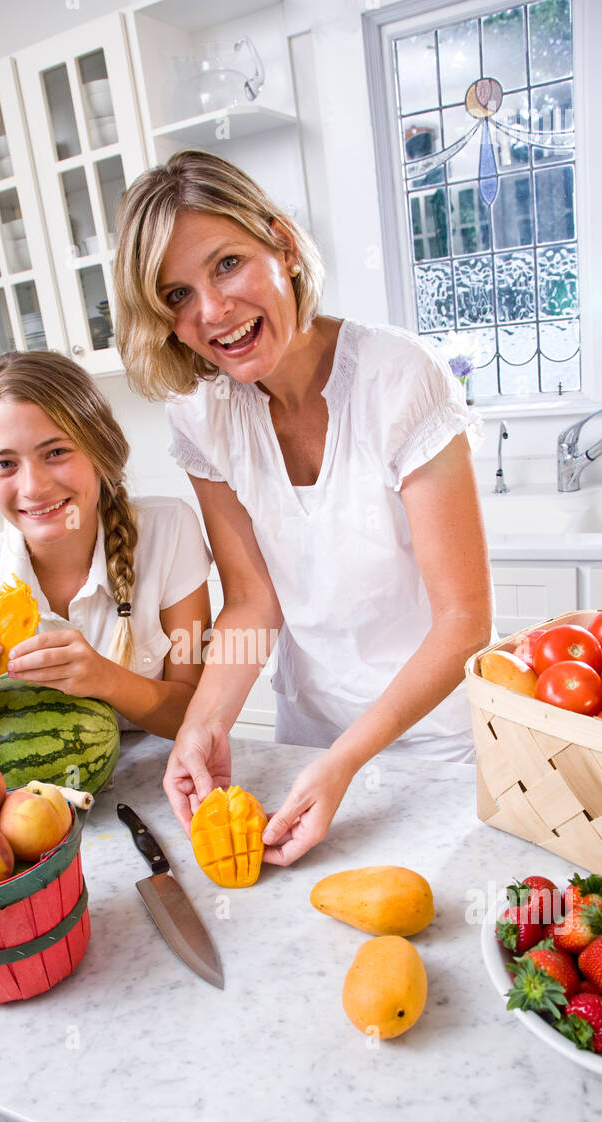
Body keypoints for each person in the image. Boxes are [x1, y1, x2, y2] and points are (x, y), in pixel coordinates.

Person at [113, 149, 493, 866]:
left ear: (282, 246)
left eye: (227, 264)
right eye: (176, 295)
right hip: (309, 736)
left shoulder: (397, 377)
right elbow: (255, 601)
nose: (213, 311)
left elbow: (464, 623)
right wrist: (202, 725)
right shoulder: (201, 416)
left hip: (436, 747)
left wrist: (347, 761)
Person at [0, 350, 211, 802]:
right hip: (29, 823)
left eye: (55, 452)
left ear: (100, 450)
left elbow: (196, 713)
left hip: (156, 794)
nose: (33, 487)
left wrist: (106, 679)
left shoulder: (169, 531)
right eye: (5, 464)